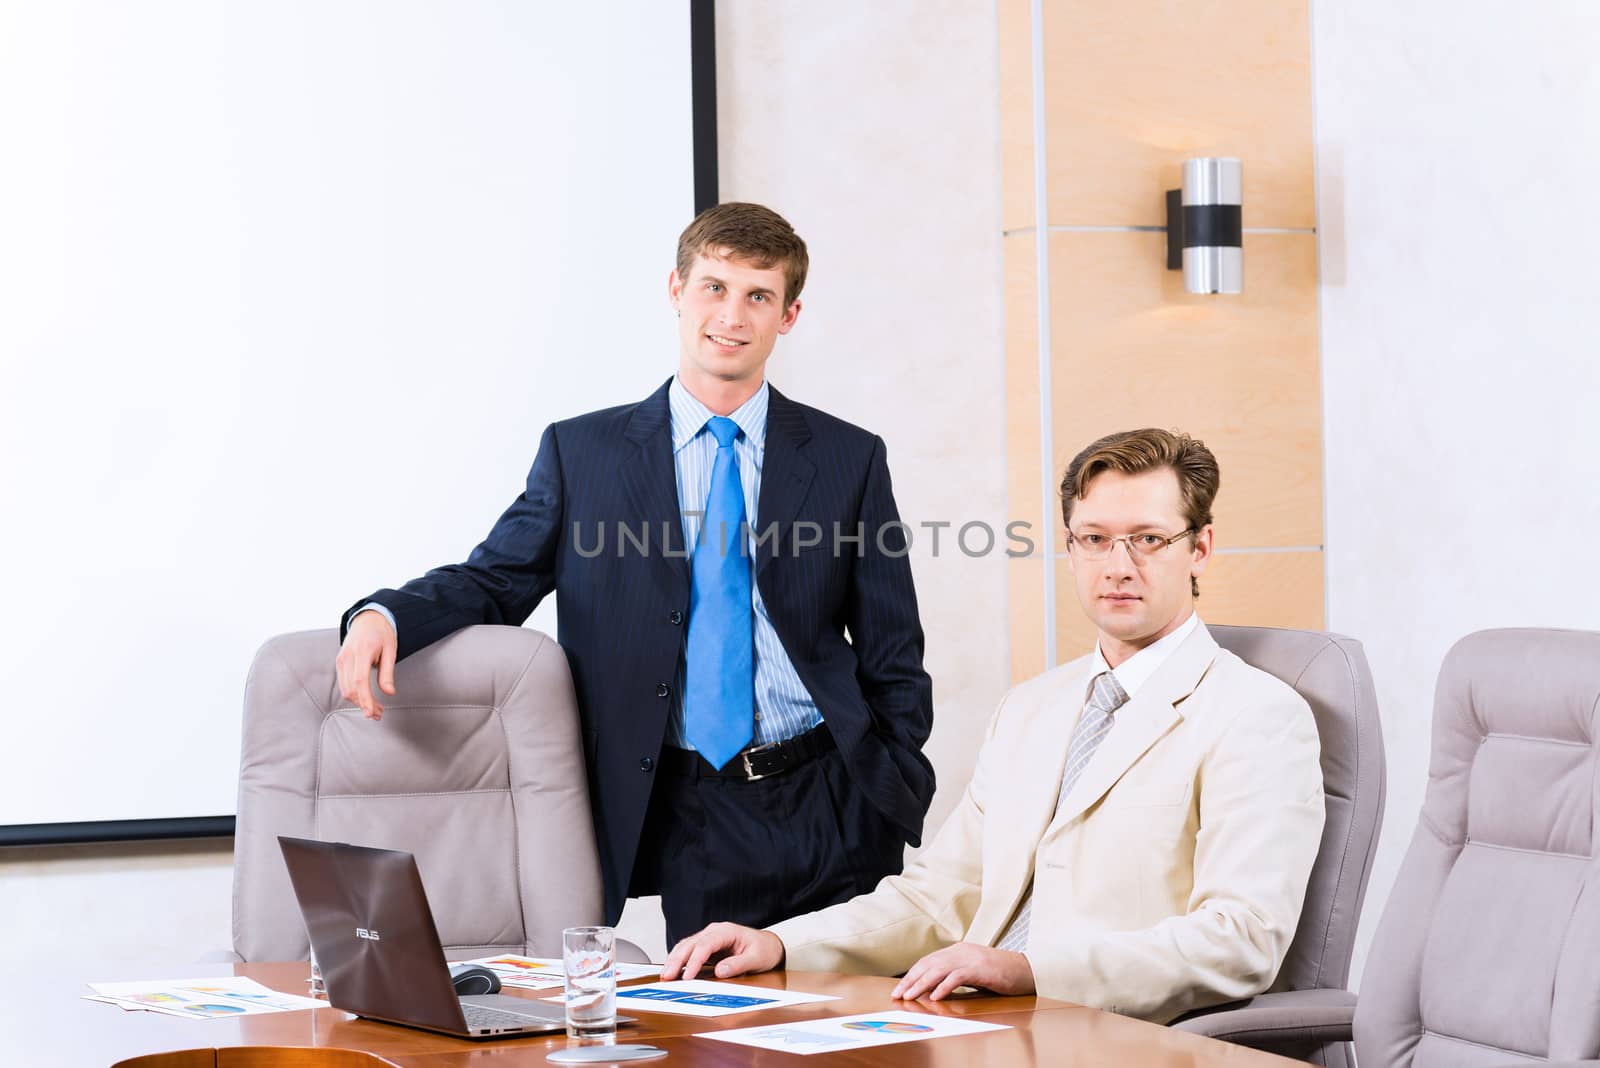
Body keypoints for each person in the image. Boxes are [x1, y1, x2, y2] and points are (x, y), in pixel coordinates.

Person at [333, 203, 935, 943]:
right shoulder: (584, 454)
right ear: (676, 291)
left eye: (758, 296)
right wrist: (383, 615)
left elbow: (892, 650)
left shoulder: (849, 457)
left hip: (830, 795)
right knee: (722, 1041)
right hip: (687, 802)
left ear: (790, 315)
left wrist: (890, 783)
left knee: (851, 1043)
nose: (733, 315)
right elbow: (496, 581)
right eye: (714, 287)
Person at [661, 428, 1324, 1025]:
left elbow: (1241, 939)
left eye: (1148, 539)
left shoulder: (1255, 716)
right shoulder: (1031, 708)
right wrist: (780, 942)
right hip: (969, 1025)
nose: (1118, 566)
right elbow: (940, 898)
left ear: (1200, 547)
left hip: (1106, 1031)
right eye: (1094, 539)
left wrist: (1029, 971)